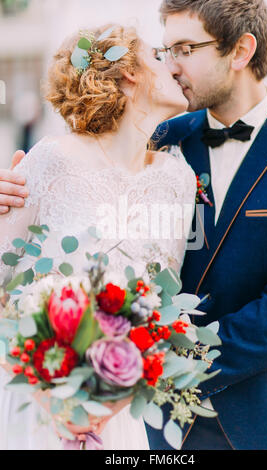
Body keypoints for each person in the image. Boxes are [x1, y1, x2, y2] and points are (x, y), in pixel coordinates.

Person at [2, 0, 267, 451]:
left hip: (253, 420)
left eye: (183, 48)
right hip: (133, 421)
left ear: (240, 52)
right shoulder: (162, 139)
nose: (172, 65)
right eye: (163, 52)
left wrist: (140, 370)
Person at [0, 24, 197, 450]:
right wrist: (47, 394)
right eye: (160, 57)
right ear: (130, 75)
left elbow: (161, 312)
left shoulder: (179, 181)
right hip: (38, 405)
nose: (175, 67)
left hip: (118, 418)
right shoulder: (51, 159)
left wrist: (114, 397)